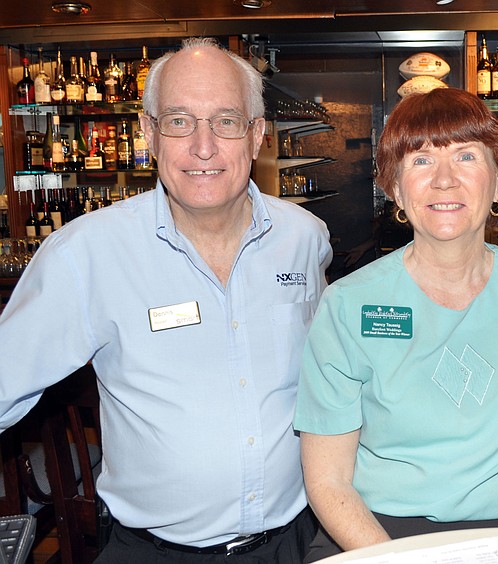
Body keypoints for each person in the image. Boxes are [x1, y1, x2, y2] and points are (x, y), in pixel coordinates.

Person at [0, 37, 331, 562]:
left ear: (256, 134)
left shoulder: (305, 239)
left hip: (294, 542)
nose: (203, 147)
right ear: (149, 133)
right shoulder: (86, 254)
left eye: (226, 121)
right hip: (154, 552)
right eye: (179, 121)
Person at [293, 87, 498, 561]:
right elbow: (327, 479)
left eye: (465, 156)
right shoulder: (349, 305)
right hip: (380, 538)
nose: (444, 180)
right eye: (419, 161)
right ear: (395, 189)